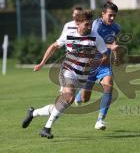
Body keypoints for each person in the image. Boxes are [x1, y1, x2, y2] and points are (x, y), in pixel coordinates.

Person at [22, 10, 108, 139]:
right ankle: (46, 128)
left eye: (90, 24)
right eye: (86, 24)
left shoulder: (96, 37)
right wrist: (41, 63)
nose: (90, 27)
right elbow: (53, 46)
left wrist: (96, 62)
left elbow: (105, 56)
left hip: (82, 76)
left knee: (62, 104)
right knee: (69, 97)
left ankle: (33, 113)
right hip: (67, 71)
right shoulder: (69, 34)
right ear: (78, 24)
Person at [74, 1, 120, 130]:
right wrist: (111, 46)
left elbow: (113, 41)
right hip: (90, 64)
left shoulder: (116, 27)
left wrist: (116, 56)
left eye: (114, 16)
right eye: (110, 15)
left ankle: (100, 120)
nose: (112, 18)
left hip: (104, 63)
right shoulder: (96, 25)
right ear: (103, 14)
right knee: (85, 99)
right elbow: (92, 42)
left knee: (109, 86)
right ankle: (79, 95)